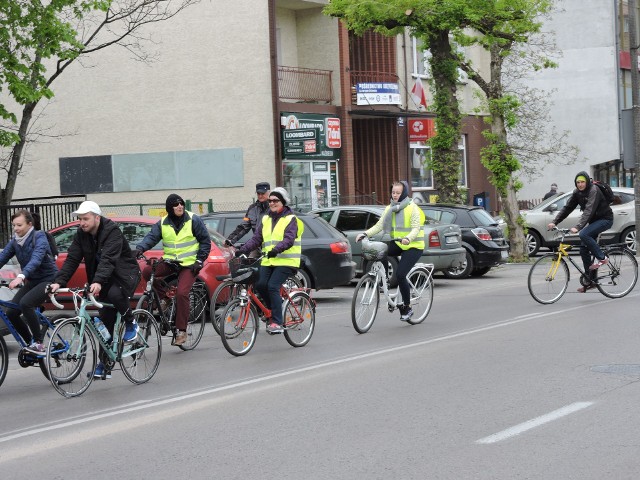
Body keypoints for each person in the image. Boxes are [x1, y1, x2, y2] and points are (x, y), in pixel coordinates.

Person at [49, 201, 141, 379]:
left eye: (85, 219)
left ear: (97, 218)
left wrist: (98, 281)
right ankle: (105, 364)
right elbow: (72, 259)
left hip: (124, 274)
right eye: (80, 219)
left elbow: (108, 259)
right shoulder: (81, 234)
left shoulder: (111, 231)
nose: (82, 223)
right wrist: (59, 282)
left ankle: (131, 322)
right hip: (104, 277)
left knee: (115, 295)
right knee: (105, 320)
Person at [136, 194, 211, 346]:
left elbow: (205, 242)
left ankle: (182, 331)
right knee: (147, 271)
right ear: (170, 208)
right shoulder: (163, 222)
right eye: (176, 205)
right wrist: (140, 248)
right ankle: (165, 297)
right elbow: (151, 237)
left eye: (181, 204)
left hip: (190, 264)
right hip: (171, 262)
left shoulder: (193, 219)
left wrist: (199, 260)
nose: (180, 206)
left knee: (182, 293)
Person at [234, 187, 303, 334]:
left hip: (286, 261)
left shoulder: (291, 219)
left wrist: (276, 249)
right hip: (269, 260)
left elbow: (289, 240)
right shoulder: (266, 218)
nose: (272, 203)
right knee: (259, 284)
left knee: (272, 286)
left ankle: (277, 322)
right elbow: (257, 239)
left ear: (283, 202)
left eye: (275, 200)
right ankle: (273, 309)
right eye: (270, 201)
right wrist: (243, 250)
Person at [355, 181, 425, 321]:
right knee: (380, 250)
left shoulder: (413, 208)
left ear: (404, 193)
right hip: (399, 243)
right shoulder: (390, 208)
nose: (395, 195)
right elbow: (380, 225)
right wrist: (366, 234)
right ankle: (385, 280)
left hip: (413, 245)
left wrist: (408, 238)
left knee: (400, 275)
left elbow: (416, 228)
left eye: (398, 193)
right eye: (393, 192)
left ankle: (406, 307)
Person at [0, 210, 58, 353]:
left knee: (26, 303)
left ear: (29, 224)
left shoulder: (39, 237)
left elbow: (36, 260)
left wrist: (21, 276)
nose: (16, 228)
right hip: (33, 281)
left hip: (49, 279)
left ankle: (38, 343)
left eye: (19, 225)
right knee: (11, 312)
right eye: (14, 225)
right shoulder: (15, 242)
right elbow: (2, 257)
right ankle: (29, 344)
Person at [547, 171, 614, 293]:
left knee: (584, 234)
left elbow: (588, 211)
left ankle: (602, 258)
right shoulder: (577, 193)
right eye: (578, 182)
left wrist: (578, 227)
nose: (580, 184)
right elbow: (567, 208)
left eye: (583, 182)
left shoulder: (594, 190)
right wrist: (555, 222)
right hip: (594, 221)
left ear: (587, 181)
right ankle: (590, 280)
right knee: (583, 248)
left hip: (605, 219)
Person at [225, 182, 270, 255]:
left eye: (263, 193)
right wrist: (230, 240)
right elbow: (243, 227)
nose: (260, 196)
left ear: (269, 193)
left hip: (272, 247)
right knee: (251, 263)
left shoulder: (273, 207)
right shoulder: (252, 209)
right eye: (258, 194)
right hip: (256, 246)